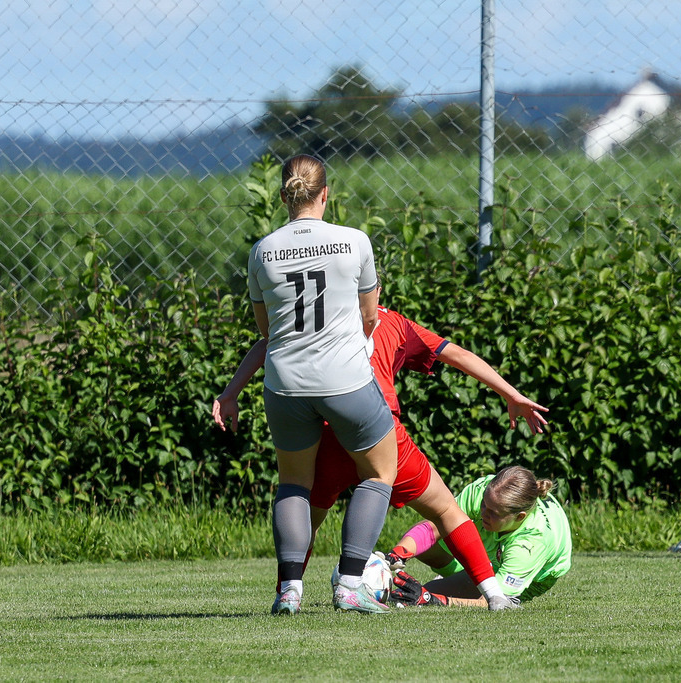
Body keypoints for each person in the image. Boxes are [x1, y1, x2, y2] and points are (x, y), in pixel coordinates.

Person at [214, 291, 549, 611]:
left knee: (305, 515)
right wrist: (511, 394)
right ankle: (495, 596)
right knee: (446, 510)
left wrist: (231, 392)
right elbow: (456, 354)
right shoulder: (394, 321)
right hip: (380, 432)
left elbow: (269, 341)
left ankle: (288, 592)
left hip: (329, 433)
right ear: (374, 289)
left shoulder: (316, 318)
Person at [243, 154, 398, 616]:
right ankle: (349, 585)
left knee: (293, 483)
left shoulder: (262, 251)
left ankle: (289, 591)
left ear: (283, 196)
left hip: (285, 383)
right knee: (379, 473)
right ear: (325, 194)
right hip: (345, 379)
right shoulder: (355, 241)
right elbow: (370, 316)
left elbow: (266, 331)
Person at [385, 465, 573, 608]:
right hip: (504, 540)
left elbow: (492, 601)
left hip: (538, 576)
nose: (483, 513)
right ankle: (463, 575)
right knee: (427, 545)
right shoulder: (482, 490)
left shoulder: (530, 545)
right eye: (484, 504)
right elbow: (434, 527)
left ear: (519, 517)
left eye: (493, 512)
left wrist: (432, 599)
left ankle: (463, 581)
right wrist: (396, 555)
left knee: (492, 604)